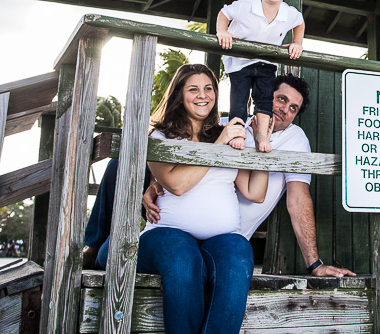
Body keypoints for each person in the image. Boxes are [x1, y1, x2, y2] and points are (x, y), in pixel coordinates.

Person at [94, 63, 267, 334]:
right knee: (183, 257)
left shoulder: (225, 134)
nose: (203, 95)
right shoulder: (161, 136)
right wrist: (218, 145)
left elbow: (254, 192)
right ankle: (105, 248)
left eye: (209, 88)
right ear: (179, 94)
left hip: (220, 238)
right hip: (166, 234)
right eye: (193, 89)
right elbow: (177, 185)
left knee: (239, 254)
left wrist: (260, 145)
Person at [145, 74, 356, 277]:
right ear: (263, 97)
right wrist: (154, 182)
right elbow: (178, 157)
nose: (285, 109)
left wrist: (314, 264)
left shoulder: (295, 138)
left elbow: (297, 200)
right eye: (281, 99)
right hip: (179, 230)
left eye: (293, 108)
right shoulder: (227, 126)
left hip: (228, 242)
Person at [217, 0, 305, 153]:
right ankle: (238, 131)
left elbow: (300, 23)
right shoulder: (245, 6)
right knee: (240, 97)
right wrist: (222, 31)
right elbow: (224, 13)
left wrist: (297, 42)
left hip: (266, 61)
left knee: (264, 98)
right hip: (240, 61)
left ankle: (263, 135)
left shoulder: (289, 13)